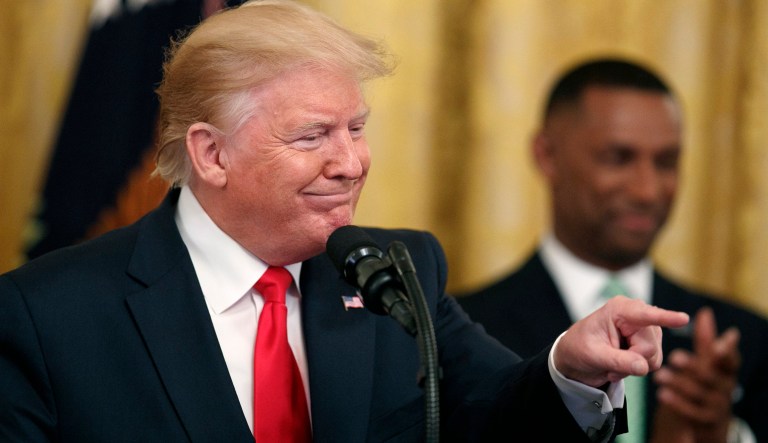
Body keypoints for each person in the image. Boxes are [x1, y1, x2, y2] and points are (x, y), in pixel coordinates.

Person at [0, 4, 688, 442]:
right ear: (211, 154)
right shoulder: (46, 315)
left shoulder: (398, 272)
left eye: (356, 128)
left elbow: (498, 412)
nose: (352, 163)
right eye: (313, 137)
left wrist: (569, 365)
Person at [457, 58, 768, 443]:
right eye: (618, 158)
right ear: (546, 155)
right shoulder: (466, 334)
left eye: (666, 162)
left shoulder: (745, 342)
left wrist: (725, 435)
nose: (647, 191)